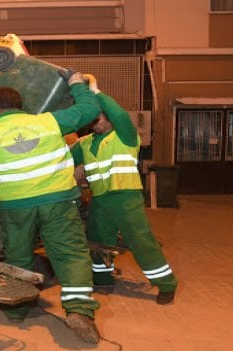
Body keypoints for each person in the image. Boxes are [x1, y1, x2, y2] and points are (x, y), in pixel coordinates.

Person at [0, 72, 102, 344]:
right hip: (57, 200)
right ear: (21, 106)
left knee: (18, 254)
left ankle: (17, 310)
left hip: (15, 206)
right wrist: (76, 83)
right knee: (70, 254)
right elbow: (90, 109)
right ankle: (79, 311)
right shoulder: (49, 121)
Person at [71, 75, 177, 305]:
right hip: (100, 200)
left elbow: (119, 115)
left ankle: (166, 284)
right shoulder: (85, 143)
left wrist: (96, 92)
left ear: (109, 119)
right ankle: (101, 279)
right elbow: (63, 159)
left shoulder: (125, 135)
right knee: (98, 241)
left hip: (126, 197)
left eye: (97, 117)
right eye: (91, 120)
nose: (93, 122)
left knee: (140, 240)